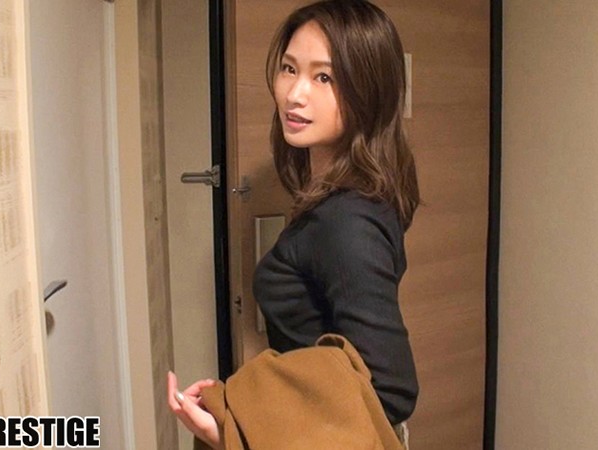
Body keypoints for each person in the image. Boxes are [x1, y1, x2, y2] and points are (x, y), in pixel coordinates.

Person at [168, 1, 419, 447]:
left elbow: (391, 393)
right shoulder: (338, 195)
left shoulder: (346, 222)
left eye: (324, 78)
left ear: (368, 90)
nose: (295, 94)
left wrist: (233, 430)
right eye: (289, 69)